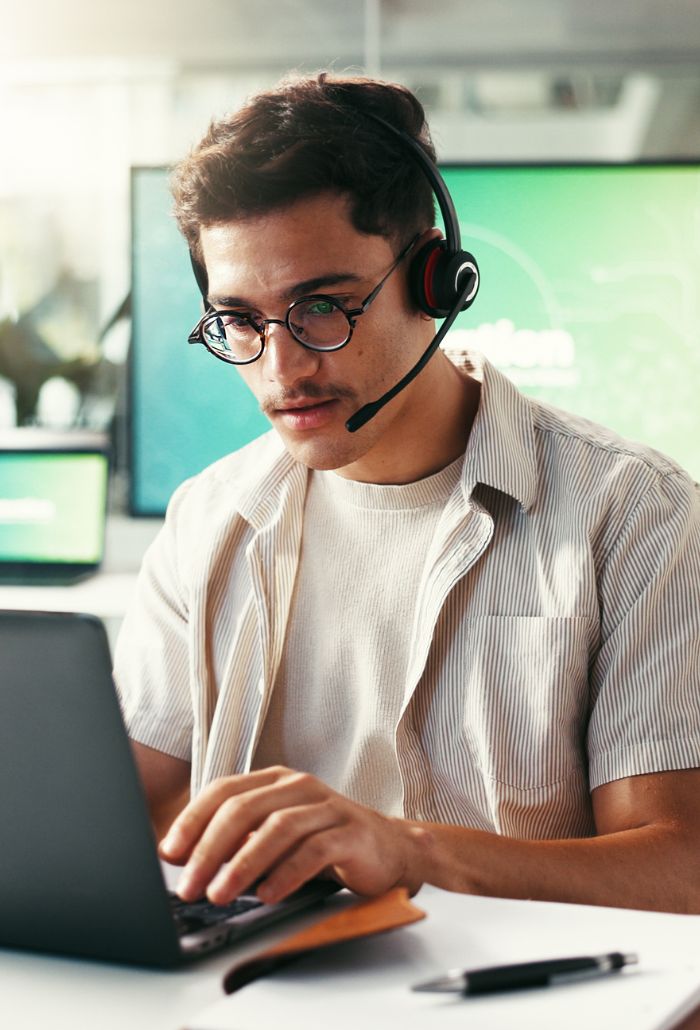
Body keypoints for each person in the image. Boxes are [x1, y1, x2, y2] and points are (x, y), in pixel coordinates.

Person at [114, 72, 700, 914]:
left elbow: (681, 867)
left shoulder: (637, 514)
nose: (282, 370)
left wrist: (406, 851)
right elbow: (127, 808)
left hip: (508, 977)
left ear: (435, 280)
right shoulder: (207, 518)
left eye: (323, 306)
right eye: (239, 320)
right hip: (259, 977)